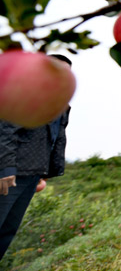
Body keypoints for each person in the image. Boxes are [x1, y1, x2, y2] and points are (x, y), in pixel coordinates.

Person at [0, 55, 72, 261]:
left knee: (7, 231)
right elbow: (5, 131)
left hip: (31, 175)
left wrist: (46, 172)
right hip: (11, 174)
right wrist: (5, 170)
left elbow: (56, 138)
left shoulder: (61, 106)